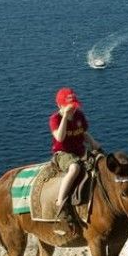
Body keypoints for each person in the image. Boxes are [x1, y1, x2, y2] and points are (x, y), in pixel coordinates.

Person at [49, 87, 101, 221]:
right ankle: (60, 202)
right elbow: (59, 138)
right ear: (60, 106)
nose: (73, 110)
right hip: (63, 153)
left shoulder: (79, 116)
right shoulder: (55, 119)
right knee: (74, 168)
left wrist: (93, 143)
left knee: (101, 161)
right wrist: (65, 118)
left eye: (74, 107)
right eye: (69, 108)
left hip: (80, 150)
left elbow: (83, 133)